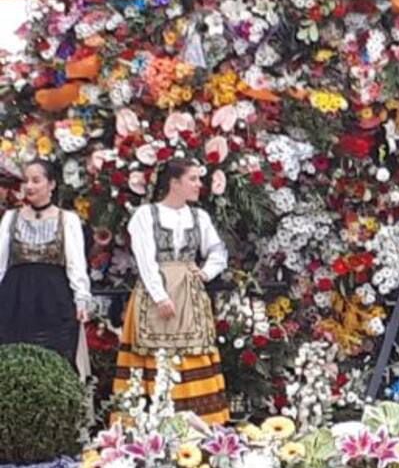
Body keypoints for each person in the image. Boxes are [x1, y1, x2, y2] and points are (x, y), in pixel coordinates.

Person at [113, 159, 230, 425]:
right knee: (151, 354)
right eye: (193, 179)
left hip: (189, 292)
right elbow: (144, 258)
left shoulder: (199, 217)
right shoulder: (146, 215)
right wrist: (159, 295)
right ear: (174, 183)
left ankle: (201, 423)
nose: (199, 184)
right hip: (156, 292)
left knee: (192, 351)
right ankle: (148, 423)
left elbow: (217, 250)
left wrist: (206, 272)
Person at [0, 160, 91, 369]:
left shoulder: (67, 219)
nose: (29, 186)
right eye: (26, 181)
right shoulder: (11, 217)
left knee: (55, 357)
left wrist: (81, 298)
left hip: (54, 297)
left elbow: (76, 264)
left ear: (51, 184)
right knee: (14, 358)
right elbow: (1, 262)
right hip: (15, 297)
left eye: (36, 180)